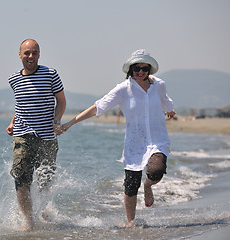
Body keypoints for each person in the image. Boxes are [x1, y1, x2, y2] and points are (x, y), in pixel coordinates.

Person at [60, 49, 175, 227]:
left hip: (158, 140)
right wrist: (70, 123)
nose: (141, 72)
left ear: (149, 69)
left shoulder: (159, 85)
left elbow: (166, 102)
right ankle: (131, 223)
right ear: (131, 69)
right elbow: (97, 108)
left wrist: (170, 110)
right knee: (130, 185)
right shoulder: (123, 89)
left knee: (156, 171)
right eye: (137, 68)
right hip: (135, 144)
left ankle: (148, 186)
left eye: (145, 68)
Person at [6, 39, 66, 231]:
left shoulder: (50, 74)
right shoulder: (14, 79)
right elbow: (22, 104)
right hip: (23, 136)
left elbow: (62, 102)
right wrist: (13, 122)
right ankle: (29, 221)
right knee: (21, 177)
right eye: (27, 53)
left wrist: (56, 121)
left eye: (34, 53)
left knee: (44, 180)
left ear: (39, 54)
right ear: (20, 54)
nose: (31, 56)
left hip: (47, 136)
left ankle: (41, 210)